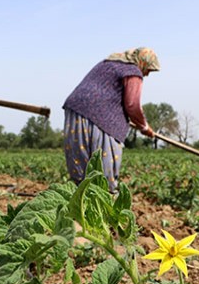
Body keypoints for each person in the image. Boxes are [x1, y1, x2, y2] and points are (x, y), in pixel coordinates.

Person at [62, 47, 159, 192]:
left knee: (81, 170)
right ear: (143, 62)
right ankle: (106, 203)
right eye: (149, 70)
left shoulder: (108, 63)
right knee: (105, 172)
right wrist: (144, 127)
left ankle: (79, 203)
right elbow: (132, 104)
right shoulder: (132, 71)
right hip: (102, 118)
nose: (147, 74)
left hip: (75, 109)